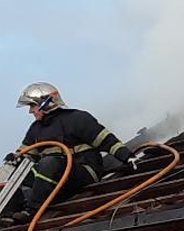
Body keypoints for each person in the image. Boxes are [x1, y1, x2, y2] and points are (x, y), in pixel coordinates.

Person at [7, 82, 135, 221]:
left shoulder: (77, 118)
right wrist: (15, 159)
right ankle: (11, 214)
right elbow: (25, 153)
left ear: (46, 103)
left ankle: (31, 211)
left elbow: (107, 141)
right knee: (12, 169)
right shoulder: (36, 129)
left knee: (49, 162)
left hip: (83, 172)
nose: (30, 111)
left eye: (32, 105)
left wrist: (128, 157)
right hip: (55, 181)